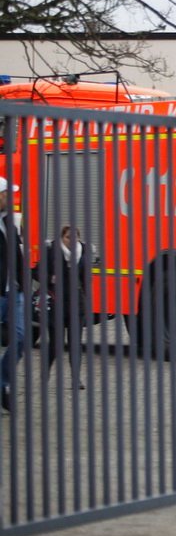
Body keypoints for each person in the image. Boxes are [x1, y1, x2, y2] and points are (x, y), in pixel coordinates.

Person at [36, 226, 89, 385]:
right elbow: (37, 271)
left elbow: (86, 278)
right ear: (61, 238)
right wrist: (50, 279)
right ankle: (45, 373)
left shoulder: (83, 252)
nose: (72, 241)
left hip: (76, 304)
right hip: (56, 302)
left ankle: (75, 378)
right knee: (56, 343)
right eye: (67, 237)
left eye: (75, 238)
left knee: (75, 343)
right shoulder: (51, 251)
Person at [0, 177, 25, 412]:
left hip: (14, 292)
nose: (11, 198)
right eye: (7, 194)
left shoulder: (10, 222)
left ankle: (3, 382)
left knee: (21, 338)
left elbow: (17, 255)